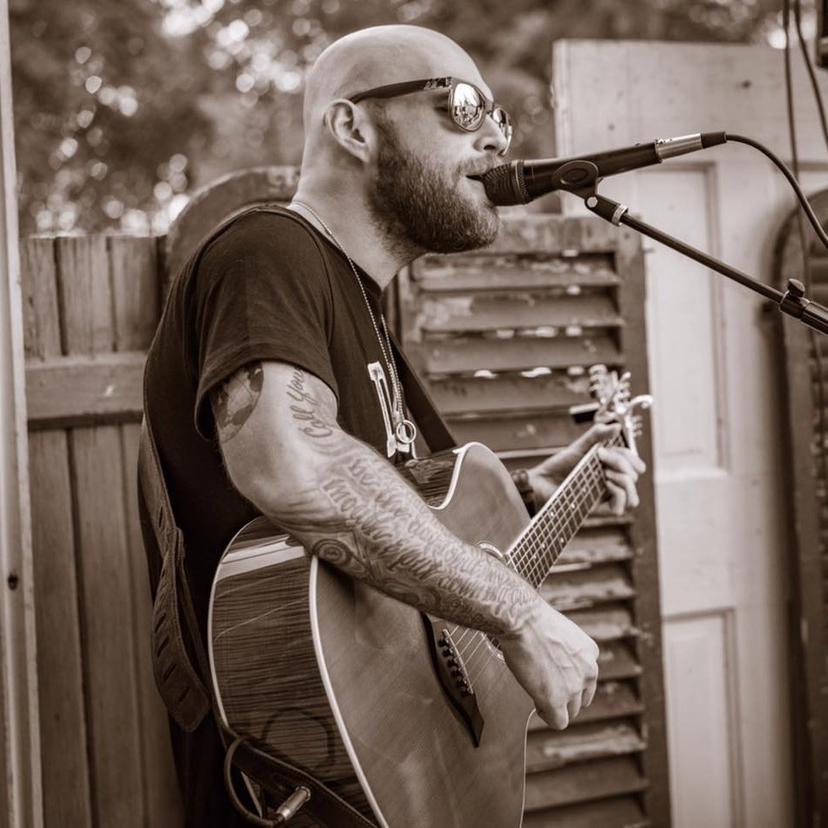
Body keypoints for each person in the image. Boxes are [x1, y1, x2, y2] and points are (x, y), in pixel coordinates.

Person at [139, 23, 646, 827]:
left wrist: (526, 494)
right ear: (353, 127)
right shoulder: (267, 250)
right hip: (294, 792)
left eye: (500, 117)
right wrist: (517, 612)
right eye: (462, 105)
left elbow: (386, 536)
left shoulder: (363, 306)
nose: (496, 137)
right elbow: (291, 464)